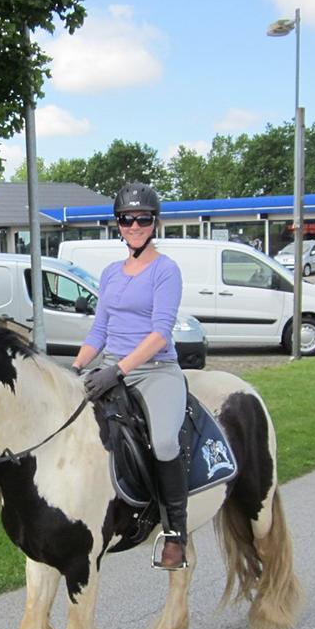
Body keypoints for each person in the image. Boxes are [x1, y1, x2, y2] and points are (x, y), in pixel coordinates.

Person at [69, 182, 189, 570]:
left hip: (154, 371)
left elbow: (160, 334)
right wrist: (74, 370)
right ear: (117, 225)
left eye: (142, 219)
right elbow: (98, 333)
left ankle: (175, 533)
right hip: (112, 370)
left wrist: (117, 370)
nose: (134, 225)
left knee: (165, 441)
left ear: (155, 223)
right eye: (126, 219)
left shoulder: (165, 271)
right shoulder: (109, 274)